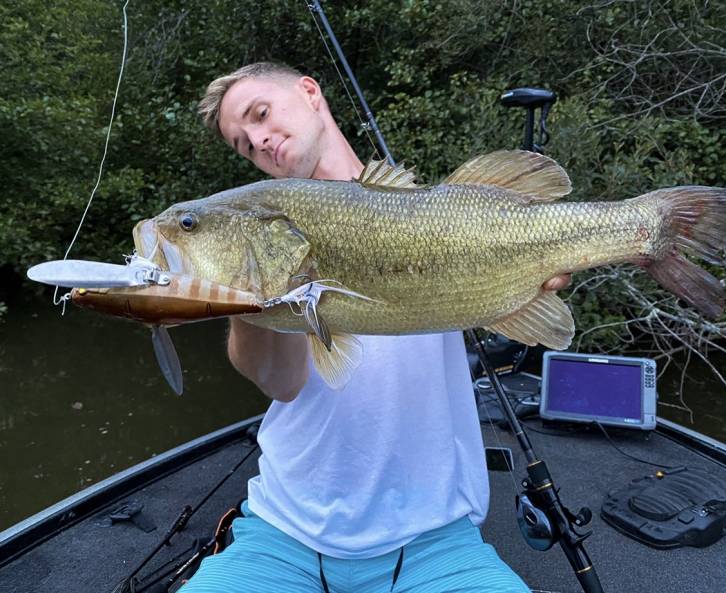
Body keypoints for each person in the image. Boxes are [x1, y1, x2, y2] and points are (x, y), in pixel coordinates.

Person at [182, 62, 570, 593]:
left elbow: (520, 300)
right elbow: (281, 383)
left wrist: (525, 277)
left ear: (309, 92)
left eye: (261, 114)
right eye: (243, 145)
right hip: (282, 533)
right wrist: (246, 292)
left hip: (436, 541)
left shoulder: (442, 211)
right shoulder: (264, 234)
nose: (258, 139)